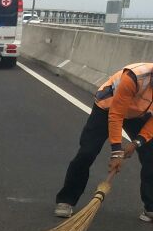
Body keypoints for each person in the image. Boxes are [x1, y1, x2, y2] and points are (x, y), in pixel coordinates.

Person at [54, 62, 153, 221]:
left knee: (151, 156)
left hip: (138, 114)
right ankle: (66, 200)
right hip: (107, 108)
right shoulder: (134, 77)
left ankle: (151, 207)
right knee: (87, 152)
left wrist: (136, 143)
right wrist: (116, 152)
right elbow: (116, 115)